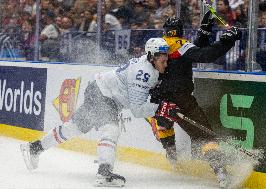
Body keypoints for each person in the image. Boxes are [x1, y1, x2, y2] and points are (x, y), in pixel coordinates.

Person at [20, 38, 170, 187]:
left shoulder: (146, 61)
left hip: (98, 89)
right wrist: (161, 108)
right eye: (162, 61)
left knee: (75, 127)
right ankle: (104, 173)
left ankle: (34, 148)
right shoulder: (145, 73)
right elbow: (137, 109)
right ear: (151, 57)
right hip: (104, 95)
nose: (166, 64)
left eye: (166, 60)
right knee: (111, 129)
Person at [146, 14, 242, 188]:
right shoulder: (181, 45)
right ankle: (220, 171)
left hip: (157, 100)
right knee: (205, 136)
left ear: (165, 31)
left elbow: (190, 53)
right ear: (181, 32)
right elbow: (204, 55)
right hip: (182, 100)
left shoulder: (157, 45)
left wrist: (204, 31)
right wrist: (228, 40)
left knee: (163, 126)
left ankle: (173, 158)